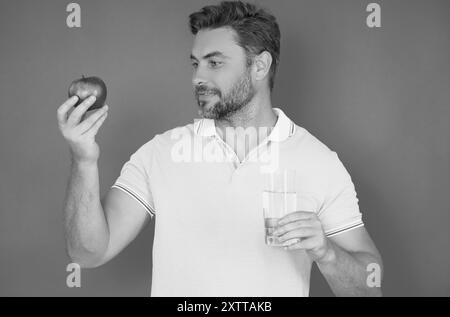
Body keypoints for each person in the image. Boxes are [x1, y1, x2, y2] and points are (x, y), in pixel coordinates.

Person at [57, 1, 382, 296]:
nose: (198, 77)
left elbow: (369, 288)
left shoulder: (319, 162)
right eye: (195, 63)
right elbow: (88, 252)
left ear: (260, 66)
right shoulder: (161, 153)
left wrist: (325, 250)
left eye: (214, 63)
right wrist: (84, 159)